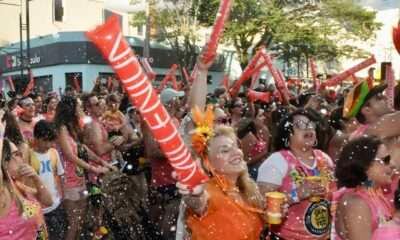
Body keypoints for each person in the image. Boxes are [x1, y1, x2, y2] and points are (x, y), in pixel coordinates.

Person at [257, 109, 335, 240]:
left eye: (311, 125)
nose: (308, 129)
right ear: (288, 135)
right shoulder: (277, 161)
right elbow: (260, 204)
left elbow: (334, 195)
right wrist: (296, 194)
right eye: (300, 126)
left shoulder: (324, 158)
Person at [179, 123, 265, 240]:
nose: (236, 152)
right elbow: (199, 204)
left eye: (236, 146)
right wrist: (196, 194)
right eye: (225, 151)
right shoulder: (210, 193)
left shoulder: (247, 189)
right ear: (208, 164)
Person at [54, 96, 107, 240]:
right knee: (74, 223)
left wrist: (101, 162)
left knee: (81, 221)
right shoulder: (61, 129)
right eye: (78, 106)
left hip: (80, 179)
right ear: (71, 109)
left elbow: (82, 148)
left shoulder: (72, 127)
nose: (80, 109)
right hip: (67, 182)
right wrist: (93, 168)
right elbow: (70, 155)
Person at [0, 110, 53, 239]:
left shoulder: (17, 185)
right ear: (4, 162)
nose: (22, 157)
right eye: (16, 155)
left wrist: (36, 178)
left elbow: (48, 201)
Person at [332, 136, 394, 240]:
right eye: (385, 160)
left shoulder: (375, 194)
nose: (392, 165)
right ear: (365, 165)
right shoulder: (356, 204)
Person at [30, 120, 67, 240]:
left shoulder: (54, 153)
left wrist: (62, 197)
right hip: (38, 210)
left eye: (51, 141)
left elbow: (60, 175)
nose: (48, 144)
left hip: (55, 206)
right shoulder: (28, 155)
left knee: (57, 236)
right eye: (45, 140)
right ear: (36, 137)